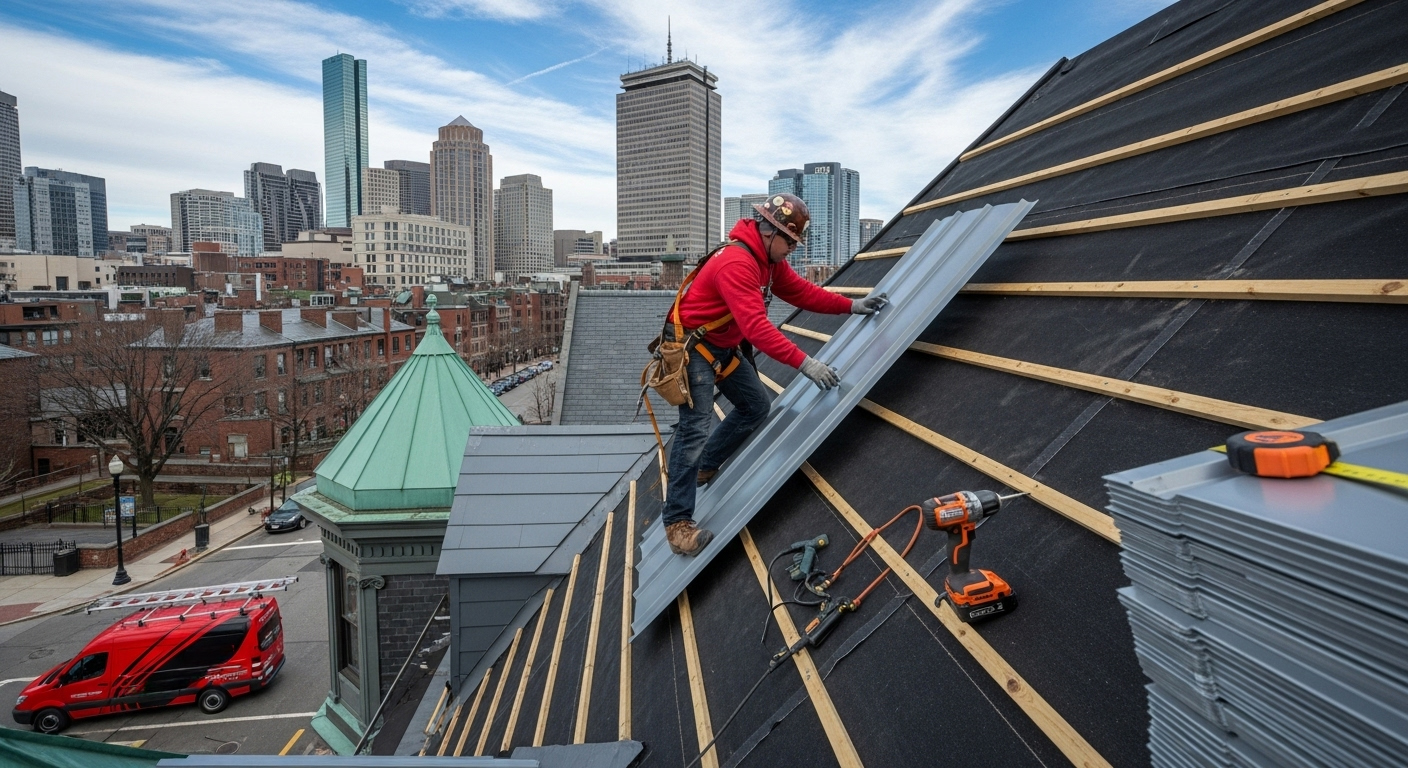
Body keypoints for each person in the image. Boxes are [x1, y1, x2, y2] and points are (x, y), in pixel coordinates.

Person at [663, 193, 889, 556]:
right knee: (693, 430)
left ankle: (706, 466)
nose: (792, 251)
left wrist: (850, 306)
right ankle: (677, 524)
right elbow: (756, 328)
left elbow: (802, 292)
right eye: (790, 242)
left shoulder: (764, 259)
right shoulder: (738, 263)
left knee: (755, 407)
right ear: (770, 232)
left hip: (720, 347)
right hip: (694, 354)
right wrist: (806, 363)